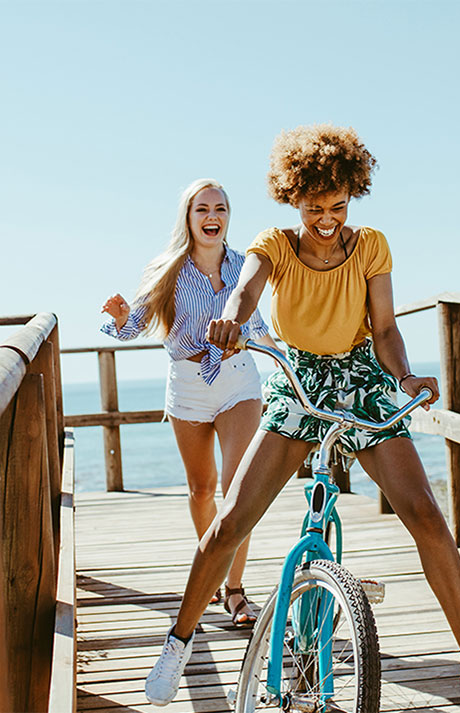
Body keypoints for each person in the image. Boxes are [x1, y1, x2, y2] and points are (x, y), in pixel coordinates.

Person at [143, 127, 460, 711]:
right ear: (294, 199)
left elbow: (385, 329)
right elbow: (245, 290)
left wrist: (407, 378)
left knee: (425, 515)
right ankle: (178, 644)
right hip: (300, 382)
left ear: (352, 198)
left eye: (337, 206)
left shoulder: (370, 246)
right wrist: (232, 321)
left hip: (362, 380)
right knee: (232, 518)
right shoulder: (276, 244)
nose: (326, 219)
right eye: (314, 207)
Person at [100, 178, 279, 629]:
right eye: (202, 209)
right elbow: (133, 325)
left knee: (237, 489)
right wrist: (121, 318)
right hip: (188, 385)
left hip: (239, 380)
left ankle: (235, 592)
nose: (212, 216)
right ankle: (214, 570)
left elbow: (258, 326)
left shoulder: (246, 266)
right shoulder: (168, 269)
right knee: (202, 490)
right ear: (188, 217)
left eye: (219, 208)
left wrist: (291, 360)